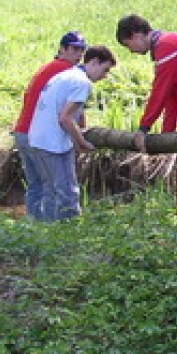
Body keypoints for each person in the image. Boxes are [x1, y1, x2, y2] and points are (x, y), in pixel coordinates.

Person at [115, 14, 177, 205]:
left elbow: (160, 90)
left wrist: (144, 128)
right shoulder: (168, 47)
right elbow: (171, 97)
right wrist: (166, 137)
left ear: (137, 35)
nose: (131, 51)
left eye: (128, 45)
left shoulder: (168, 46)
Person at [26, 44, 117, 221]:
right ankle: (71, 234)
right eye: (105, 70)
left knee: (51, 191)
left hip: (37, 138)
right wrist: (81, 142)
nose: (104, 76)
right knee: (68, 192)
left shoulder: (64, 76)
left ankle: (48, 232)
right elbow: (65, 118)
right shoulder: (82, 82)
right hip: (54, 144)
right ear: (94, 62)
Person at [13, 31, 86, 220]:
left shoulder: (48, 68)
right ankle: (54, 232)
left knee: (36, 185)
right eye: (74, 49)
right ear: (62, 49)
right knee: (53, 187)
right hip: (38, 135)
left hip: (22, 131)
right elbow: (72, 107)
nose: (78, 55)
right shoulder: (66, 72)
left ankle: (35, 227)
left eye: (81, 50)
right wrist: (81, 131)